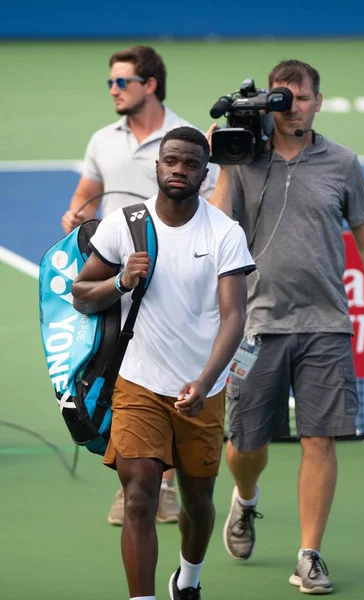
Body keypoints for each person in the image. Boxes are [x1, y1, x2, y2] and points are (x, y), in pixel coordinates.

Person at [209, 59, 364, 594]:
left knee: (321, 439)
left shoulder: (342, 163)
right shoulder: (243, 159)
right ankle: (245, 501)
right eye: (280, 97)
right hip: (253, 328)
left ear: (318, 102)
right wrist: (226, 159)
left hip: (325, 327)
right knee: (244, 443)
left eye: (299, 97)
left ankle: (309, 554)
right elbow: (215, 229)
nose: (290, 106)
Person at [71, 126, 255, 600]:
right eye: (171, 161)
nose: (179, 170)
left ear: (204, 172)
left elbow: (234, 318)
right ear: (158, 167)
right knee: (139, 497)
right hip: (137, 383)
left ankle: (187, 580)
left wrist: (205, 381)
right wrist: (120, 283)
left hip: (202, 389)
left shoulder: (224, 233)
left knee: (198, 503)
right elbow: (81, 296)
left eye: (190, 164)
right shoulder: (124, 225)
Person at [62, 44, 219, 526]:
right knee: (117, 372)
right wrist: (77, 215)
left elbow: (211, 211)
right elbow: (86, 196)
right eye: (111, 82)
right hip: (119, 278)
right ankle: (138, 475)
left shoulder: (186, 143)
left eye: (121, 82)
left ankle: (164, 485)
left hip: (177, 286)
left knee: (169, 377)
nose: (113, 89)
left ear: (149, 85)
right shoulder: (101, 140)